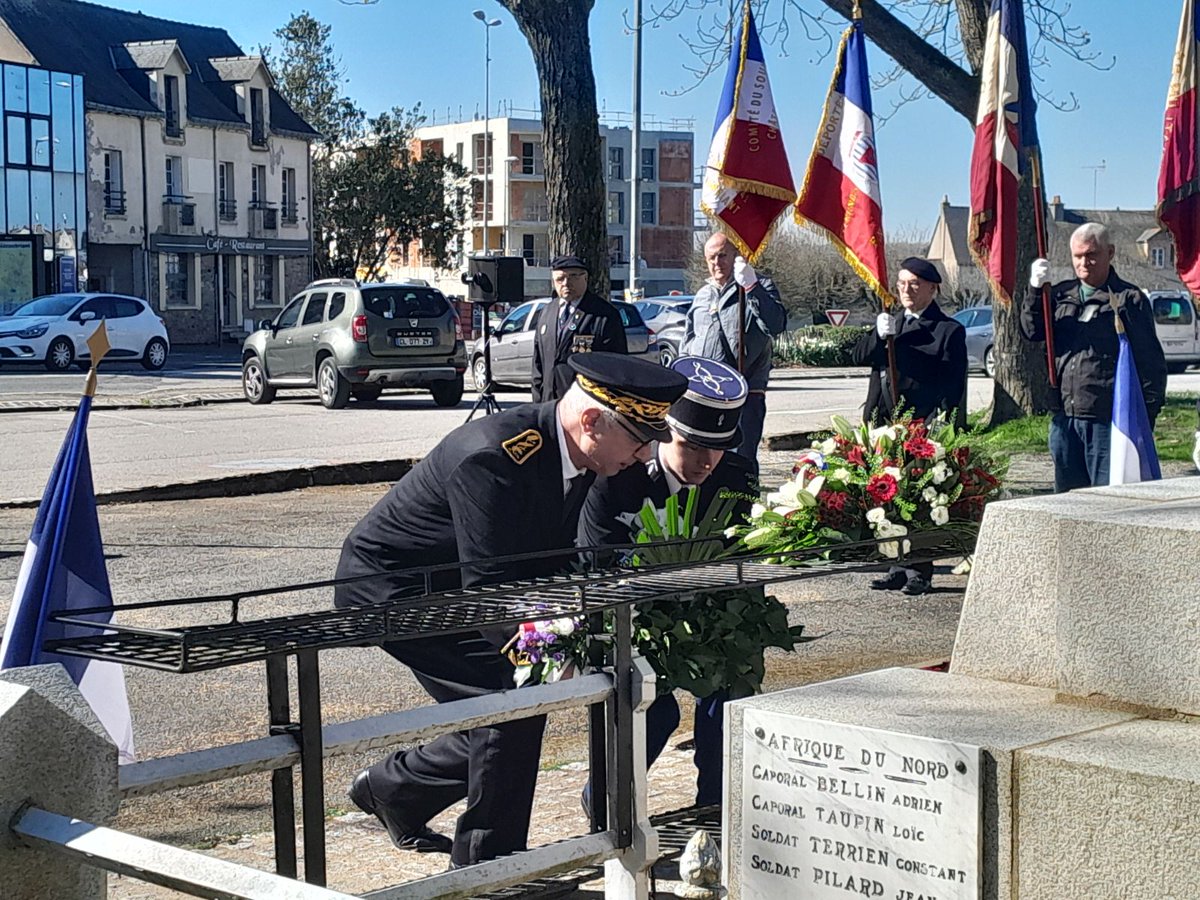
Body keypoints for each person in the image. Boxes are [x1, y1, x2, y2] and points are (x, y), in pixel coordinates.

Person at [335, 352, 687, 868]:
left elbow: (559, 553)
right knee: (511, 701)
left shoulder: (584, 452)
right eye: (637, 440)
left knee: (507, 708)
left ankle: (397, 789)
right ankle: (487, 867)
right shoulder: (494, 457)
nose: (641, 455)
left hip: (461, 588)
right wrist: (552, 652)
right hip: (396, 592)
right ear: (591, 421)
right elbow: (491, 591)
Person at [578, 356, 757, 806]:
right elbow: (596, 567)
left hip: (709, 620)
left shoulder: (736, 477)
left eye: (718, 447)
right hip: (632, 622)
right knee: (656, 709)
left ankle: (715, 813)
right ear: (665, 432)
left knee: (729, 693)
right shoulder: (617, 478)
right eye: (693, 446)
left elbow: (747, 559)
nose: (707, 461)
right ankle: (606, 801)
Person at [852, 257, 967, 597]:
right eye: (902, 283)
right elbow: (860, 356)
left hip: (922, 423)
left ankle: (921, 569)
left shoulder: (948, 330)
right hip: (885, 422)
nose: (906, 289)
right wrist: (877, 334)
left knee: (920, 499)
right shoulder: (893, 323)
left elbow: (952, 382)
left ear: (933, 288)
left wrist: (947, 427)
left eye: (915, 284)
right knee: (888, 497)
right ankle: (897, 564)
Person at [1022, 222, 1167, 492]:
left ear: (1110, 253)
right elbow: (1032, 331)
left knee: (1105, 500)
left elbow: (1151, 364)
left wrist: (1144, 419)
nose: (1084, 262)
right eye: (1078, 256)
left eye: (1092, 254)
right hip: (1065, 415)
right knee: (1066, 500)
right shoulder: (1059, 295)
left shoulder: (1128, 299)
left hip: (1109, 420)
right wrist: (1033, 290)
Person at [680, 233, 788, 472]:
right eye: (711, 258)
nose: (716, 262)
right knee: (703, 460)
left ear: (737, 255)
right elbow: (688, 339)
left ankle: (742, 507)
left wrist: (752, 288)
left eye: (722, 255)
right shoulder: (703, 294)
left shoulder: (758, 285)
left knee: (739, 462)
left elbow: (776, 325)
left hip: (743, 394)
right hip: (703, 394)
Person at [531, 254, 628, 403]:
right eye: (560, 279)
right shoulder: (547, 312)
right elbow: (538, 364)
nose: (566, 283)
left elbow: (615, 366)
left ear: (585, 278)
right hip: (550, 403)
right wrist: (538, 404)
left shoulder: (604, 315)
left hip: (585, 404)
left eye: (573, 277)